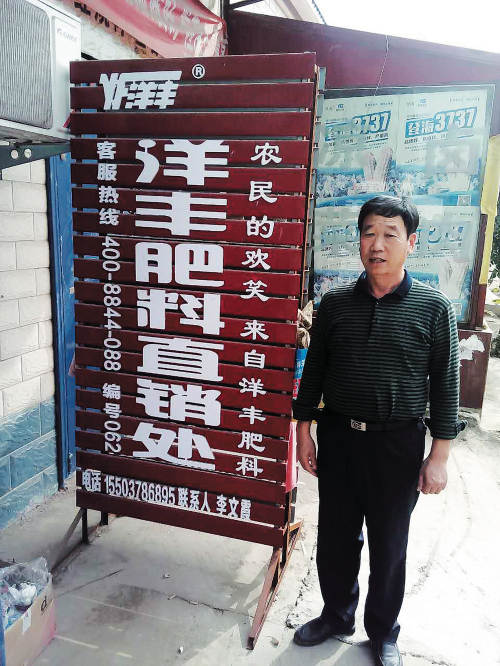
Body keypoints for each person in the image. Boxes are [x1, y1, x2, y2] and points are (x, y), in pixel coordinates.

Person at [292, 195, 461, 666]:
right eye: (369, 233)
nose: (378, 245)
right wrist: (304, 431)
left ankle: (383, 631)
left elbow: (446, 386)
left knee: (390, 544)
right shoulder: (335, 305)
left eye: (390, 234)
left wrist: (439, 456)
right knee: (336, 537)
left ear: (412, 242)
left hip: (397, 444)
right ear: (359, 241)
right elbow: (315, 373)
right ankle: (336, 615)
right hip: (340, 438)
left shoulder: (434, 308)